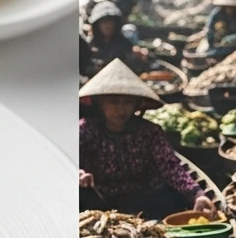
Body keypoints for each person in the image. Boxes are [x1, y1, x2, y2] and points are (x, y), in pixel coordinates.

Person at [79, 60, 217, 217]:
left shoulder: (149, 131)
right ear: (101, 103)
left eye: (127, 103)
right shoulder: (85, 130)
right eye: (113, 102)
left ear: (136, 105)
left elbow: (171, 167)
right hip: (101, 203)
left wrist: (197, 194)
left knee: (171, 199)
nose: (120, 109)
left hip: (146, 201)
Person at [85, 1, 144, 74]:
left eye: (111, 21)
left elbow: (135, 69)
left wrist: (138, 58)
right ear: (97, 25)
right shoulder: (88, 47)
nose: (108, 25)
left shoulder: (124, 44)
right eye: (104, 22)